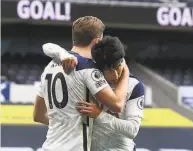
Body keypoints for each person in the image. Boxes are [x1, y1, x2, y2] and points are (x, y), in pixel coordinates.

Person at [33, 16, 129, 151]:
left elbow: (37, 116)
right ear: (96, 41)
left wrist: (65, 121)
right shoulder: (88, 68)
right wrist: (125, 72)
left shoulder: (50, 66)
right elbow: (117, 105)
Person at [43, 36, 145, 151]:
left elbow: (132, 130)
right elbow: (47, 46)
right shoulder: (90, 77)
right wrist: (62, 53)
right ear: (99, 67)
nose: (115, 75)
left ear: (123, 61)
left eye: (118, 68)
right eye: (109, 70)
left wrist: (99, 115)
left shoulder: (135, 85)